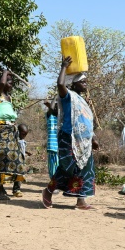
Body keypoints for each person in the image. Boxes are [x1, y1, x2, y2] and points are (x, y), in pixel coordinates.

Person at [41, 57, 98, 210]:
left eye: (86, 82)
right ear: (74, 84)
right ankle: (48, 191)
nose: (85, 84)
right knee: (69, 167)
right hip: (68, 138)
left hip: (83, 141)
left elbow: (86, 121)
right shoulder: (68, 97)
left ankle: (81, 201)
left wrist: (93, 138)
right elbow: (60, 84)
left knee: (85, 168)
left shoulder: (82, 101)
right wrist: (64, 67)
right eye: (83, 81)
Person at [0, 69, 27, 200]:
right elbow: (1, 84)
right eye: (9, 82)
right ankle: (0, 189)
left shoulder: (10, 98)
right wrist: (5, 72)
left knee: (17, 158)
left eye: (12, 82)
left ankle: (16, 187)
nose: (11, 85)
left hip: (10, 131)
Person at [13, 124, 31, 197]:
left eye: (25, 134)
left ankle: (17, 189)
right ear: (18, 132)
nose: (24, 136)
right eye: (23, 134)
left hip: (22, 162)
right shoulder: (14, 141)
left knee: (19, 176)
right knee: (16, 175)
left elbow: (22, 149)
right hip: (16, 161)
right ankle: (16, 189)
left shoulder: (23, 141)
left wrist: (27, 152)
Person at [44, 100, 59, 180]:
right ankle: (54, 183)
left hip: (61, 147)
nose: (57, 109)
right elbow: (51, 108)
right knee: (53, 166)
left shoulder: (62, 118)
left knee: (60, 165)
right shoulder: (50, 116)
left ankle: (59, 182)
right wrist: (57, 95)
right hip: (52, 146)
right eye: (56, 107)